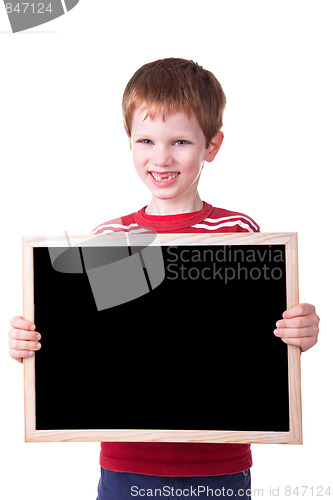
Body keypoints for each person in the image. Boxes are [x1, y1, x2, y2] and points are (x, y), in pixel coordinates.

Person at [8, 58, 320, 500]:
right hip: (127, 459)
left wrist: (300, 331)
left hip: (220, 459)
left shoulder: (239, 234)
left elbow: (262, 337)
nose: (161, 157)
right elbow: (86, 342)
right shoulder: (108, 240)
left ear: (212, 145)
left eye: (180, 141)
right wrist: (31, 344)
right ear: (129, 143)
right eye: (146, 140)